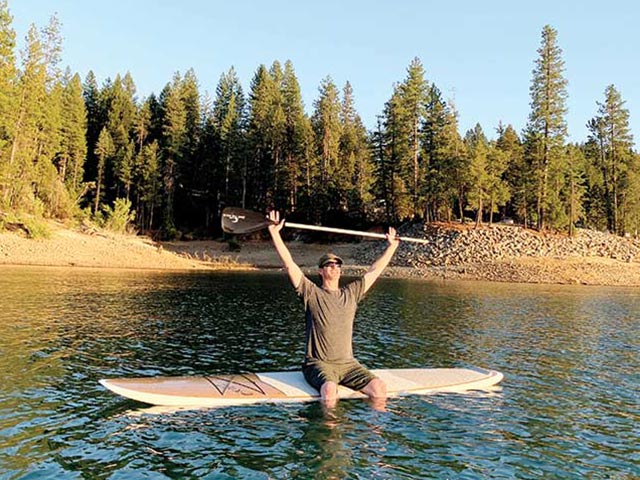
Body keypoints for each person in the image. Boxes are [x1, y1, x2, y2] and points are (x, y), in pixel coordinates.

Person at [267, 210, 400, 408]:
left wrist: (392, 247)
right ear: (321, 271)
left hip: (348, 364)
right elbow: (289, 265)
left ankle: (375, 437)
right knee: (329, 392)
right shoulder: (311, 293)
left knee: (379, 389)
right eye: (329, 265)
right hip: (318, 364)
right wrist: (275, 233)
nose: (335, 268)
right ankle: (328, 434)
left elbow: (375, 270)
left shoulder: (351, 293)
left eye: (337, 265)